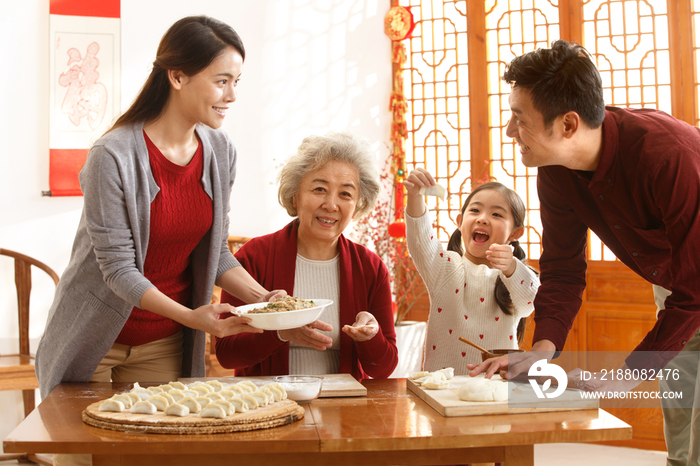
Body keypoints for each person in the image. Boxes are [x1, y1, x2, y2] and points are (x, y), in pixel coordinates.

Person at [468, 39, 700, 466]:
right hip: (679, 288)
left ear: (569, 124)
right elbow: (562, 267)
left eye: (519, 119)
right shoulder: (556, 171)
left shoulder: (667, 156)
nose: (508, 131)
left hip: (692, 285)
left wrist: (622, 378)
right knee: (684, 428)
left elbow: (695, 291)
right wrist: (542, 350)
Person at [36, 15, 284, 404]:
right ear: (177, 77)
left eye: (236, 82)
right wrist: (191, 317)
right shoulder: (112, 155)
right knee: (86, 460)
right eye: (221, 81)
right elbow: (118, 269)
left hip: (164, 346)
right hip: (91, 341)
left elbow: (216, 251)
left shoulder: (221, 153)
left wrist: (266, 298)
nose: (232, 95)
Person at [215, 131, 398, 380]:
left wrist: (371, 337)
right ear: (295, 195)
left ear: (358, 204)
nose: (331, 205)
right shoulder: (254, 257)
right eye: (320, 189)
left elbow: (384, 368)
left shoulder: (370, 267)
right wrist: (280, 332)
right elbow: (227, 355)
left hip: (345, 410)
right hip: (269, 404)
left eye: (345, 194)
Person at [403, 170, 539, 373]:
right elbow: (420, 240)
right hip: (443, 389)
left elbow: (530, 302)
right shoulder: (446, 267)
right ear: (459, 221)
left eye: (496, 214)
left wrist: (511, 267)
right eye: (475, 211)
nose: (483, 219)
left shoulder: (515, 277)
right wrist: (415, 196)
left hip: (497, 390)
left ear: (515, 233)